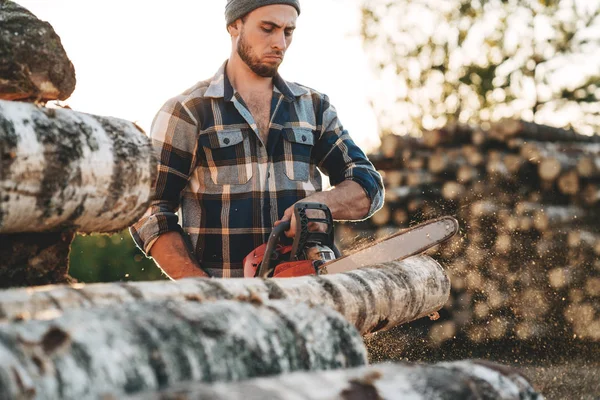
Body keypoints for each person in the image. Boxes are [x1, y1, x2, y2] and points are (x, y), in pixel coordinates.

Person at [130, 0, 384, 279]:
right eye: (268, 28)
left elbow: (367, 186)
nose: (280, 43)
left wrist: (319, 205)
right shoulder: (189, 112)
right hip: (227, 301)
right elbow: (149, 210)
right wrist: (202, 290)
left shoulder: (313, 108)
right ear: (234, 25)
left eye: (288, 31)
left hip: (311, 296)